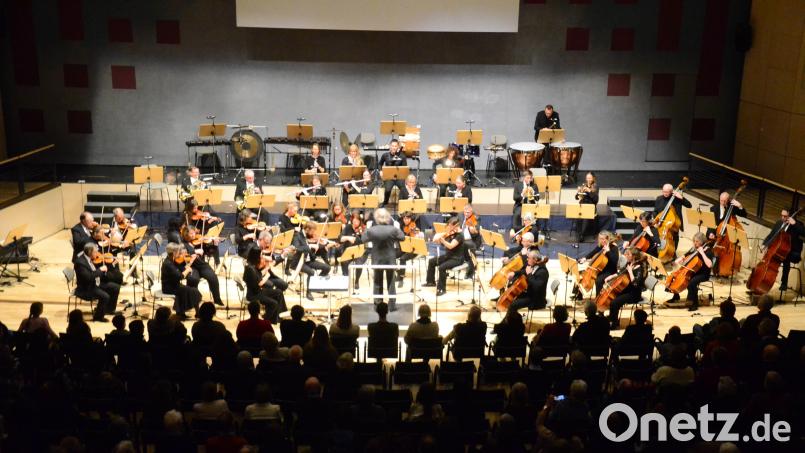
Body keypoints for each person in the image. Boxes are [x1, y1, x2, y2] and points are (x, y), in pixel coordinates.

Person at [362, 208, 405, 310]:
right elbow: (402, 237)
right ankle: (392, 305)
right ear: (387, 218)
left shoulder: (371, 230)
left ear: (376, 218)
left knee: (377, 281)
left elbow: (363, 239)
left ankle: (378, 304)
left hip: (377, 258)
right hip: (390, 258)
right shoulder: (393, 229)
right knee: (391, 281)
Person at [666, 232, 714, 311]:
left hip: (703, 274)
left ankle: (694, 303)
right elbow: (686, 255)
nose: (695, 243)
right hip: (693, 271)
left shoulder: (708, 251)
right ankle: (676, 296)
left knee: (692, 282)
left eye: (697, 241)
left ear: (702, 242)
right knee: (675, 277)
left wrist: (702, 253)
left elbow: (710, 265)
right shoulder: (694, 249)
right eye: (694, 241)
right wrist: (680, 259)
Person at [73, 242, 120, 322]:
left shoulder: (89, 258)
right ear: (90, 252)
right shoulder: (80, 263)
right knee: (105, 296)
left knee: (115, 287)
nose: (97, 254)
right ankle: (98, 317)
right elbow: (89, 277)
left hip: (95, 284)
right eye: (95, 252)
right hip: (86, 288)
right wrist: (100, 270)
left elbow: (94, 272)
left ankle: (109, 310)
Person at [760, 208, 804, 292]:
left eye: (785, 216)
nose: (782, 218)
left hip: (793, 252)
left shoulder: (797, 224)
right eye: (782, 215)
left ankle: (784, 283)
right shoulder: (779, 223)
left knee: (785, 256)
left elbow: (803, 232)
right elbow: (771, 235)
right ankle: (763, 277)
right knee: (773, 254)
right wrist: (765, 244)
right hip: (780, 249)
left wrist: (794, 224)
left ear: (790, 216)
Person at [180, 225, 223, 306]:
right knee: (193, 280)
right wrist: (195, 251)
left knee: (213, 277)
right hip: (191, 266)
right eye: (191, 234)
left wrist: (215, 244)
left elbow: (209, 253)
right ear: (185, 234)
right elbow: (184, 254)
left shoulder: (198, 241)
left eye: (194, 233)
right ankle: (193, 301)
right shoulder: (182, 243)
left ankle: (217, 299)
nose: (194, 235)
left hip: (202, 265)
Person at [289, 221, 332, 301]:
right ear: (307, 229)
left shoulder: (307, 236)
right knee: (311, 272)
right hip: (299, 262)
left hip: (309, 260)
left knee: (327, 267)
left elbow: (314, 249)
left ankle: (316, 286)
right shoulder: (297, 236)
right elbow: (297, 249)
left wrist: (325, 246)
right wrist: (310, 245)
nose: (314, 233)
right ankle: (309, 291)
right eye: (312, 231)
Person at [606, 247, 647, 329]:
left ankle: (613, 324)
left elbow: (636, 284)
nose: (626, 256)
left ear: (634, 256)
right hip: (627, 290)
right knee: (612, 297)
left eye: (628, 254)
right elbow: (620, 272)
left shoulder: (640, 268)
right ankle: (614, 319)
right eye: (626, 254)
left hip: (634, 294)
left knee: (614, 303)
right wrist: (610, 277)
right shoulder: (629, 264)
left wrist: (630, 272)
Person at [423, 217, 464, 296]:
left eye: (449, 226)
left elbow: (451, 246)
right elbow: (435, 240)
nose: (448, 227)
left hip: (456, 258)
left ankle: (442, 289)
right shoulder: (450, 233)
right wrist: (440, 236)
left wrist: (443, 241)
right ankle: (430, 282)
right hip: (448, 256)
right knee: (431, 261)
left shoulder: (460, 235)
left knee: (442, 267)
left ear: (455, 226)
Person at [243, 247, 285, 322]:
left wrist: (267, 268)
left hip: (258, 291)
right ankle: (264, 321)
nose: (261, 257)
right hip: (253, 295)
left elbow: (258, 275)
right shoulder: (250, 269)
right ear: (255, 256)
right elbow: (259, 283)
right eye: (260, 255)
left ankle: (276, 318)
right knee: (274, 303)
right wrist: (267, 276)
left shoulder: (252, 265)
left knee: (279, 292)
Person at [338, 212, 367, 288]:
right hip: (348, 251)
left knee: (359, 264)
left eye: (357, 222)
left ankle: (357, 281)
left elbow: (364, 242)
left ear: (360, 221)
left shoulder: (363, 229)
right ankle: (346, 278)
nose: (355, 224)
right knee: (344, 261)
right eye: (354, 222)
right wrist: (348, 238)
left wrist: (359, 235)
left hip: (359, 252)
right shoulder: (348, 227)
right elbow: (340, 238)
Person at [396, 211, 423, 284]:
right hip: (405, 248)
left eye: (407, 219)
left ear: (411, 219)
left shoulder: (414, 227)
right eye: (404, 219)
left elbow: (417, 238)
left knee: (402, 258)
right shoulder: (403, 226)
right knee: (392, 254)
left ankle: (401, 276)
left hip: (414, 250)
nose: (406, 220)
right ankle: (397, 270)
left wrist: (415, 232)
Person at [378, 139, 408, 206]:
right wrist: (381, 171)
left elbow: (404, 169)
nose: (394, 147)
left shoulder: (402, 156)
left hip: (399, 177)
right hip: (389, 177)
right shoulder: (385, 155)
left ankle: (404, 203)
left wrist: (404, 179)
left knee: (404, 189)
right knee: (388, 189)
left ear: (397, 147)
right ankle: (385, 202)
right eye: (392, 146)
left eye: (395, 146)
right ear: (390, 146)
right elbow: (380, 164)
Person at [457, 203, 481, 279]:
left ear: (472, 211)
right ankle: (456, 262)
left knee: (469, 246)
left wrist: (473, 229)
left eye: (468, 212)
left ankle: (470, 272)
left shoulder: (476, 217)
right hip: (462, 237)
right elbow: (457, 224)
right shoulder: (460, 215)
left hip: (472, 239)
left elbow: (477, 231)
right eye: (465, 212)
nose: (466, 214)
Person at [575, 171, 599, 242]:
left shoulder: (595, 187)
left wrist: (589, 191)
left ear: (593, 178)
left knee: (585, 217)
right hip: (583, 206)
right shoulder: (584, 185)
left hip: (590, 207)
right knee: (578, 216)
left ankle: (582, 235)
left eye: (590, 178)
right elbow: (576, 198)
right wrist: (578, 192)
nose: (588, 179)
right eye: (587, 178)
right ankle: (579, 233)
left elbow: (595, 200)